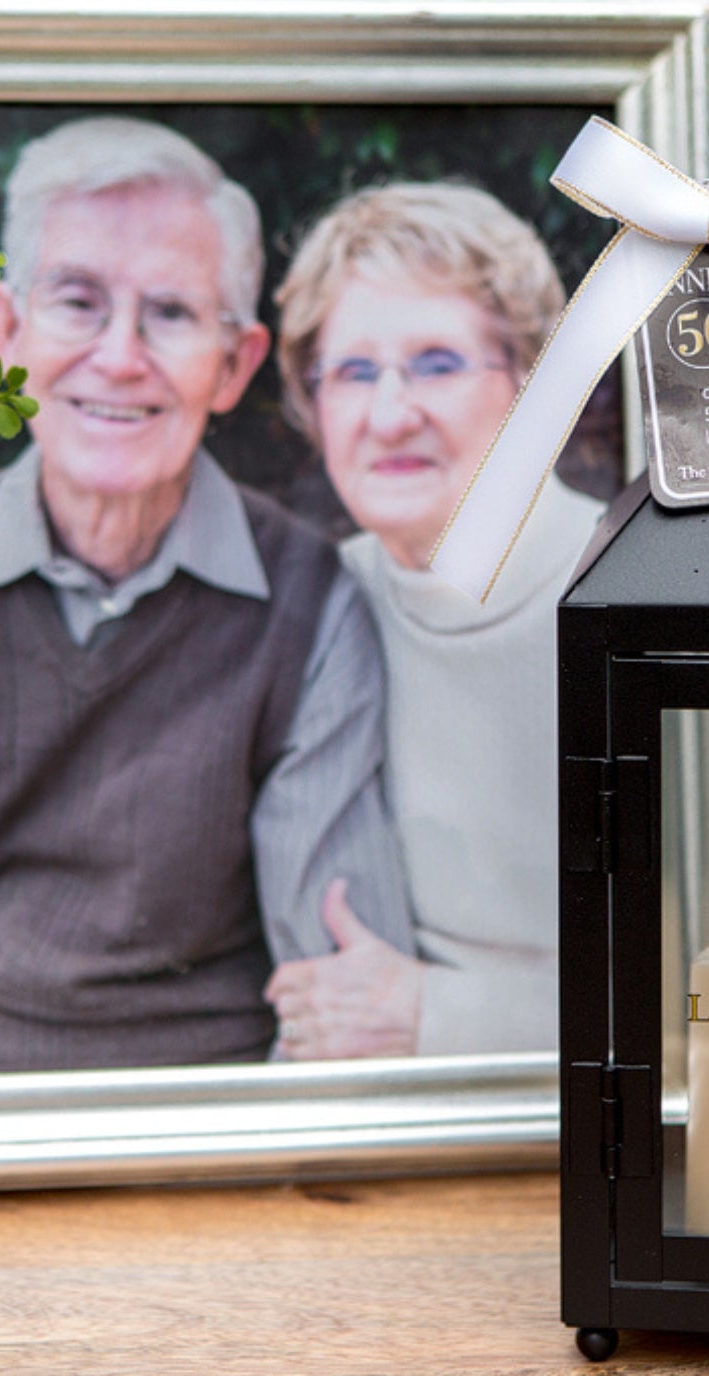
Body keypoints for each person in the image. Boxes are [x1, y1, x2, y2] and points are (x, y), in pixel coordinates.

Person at [0, 117, 413, 1075]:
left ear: (236, 365)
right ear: (7, 331)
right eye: (77, 302)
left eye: (169, 313)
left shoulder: (310, 601)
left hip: (210, 1123)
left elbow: (332, 977)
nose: (120, 357)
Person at [266, 181, 601, 1059]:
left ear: (533, 384)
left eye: (438, 364)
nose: (389, 414)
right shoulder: (312, 607)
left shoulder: (638, 599)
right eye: (351, 372)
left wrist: (438, 1018)